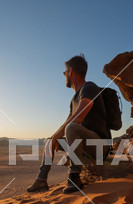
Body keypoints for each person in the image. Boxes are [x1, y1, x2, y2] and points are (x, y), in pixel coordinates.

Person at [27, 54, 111, 194]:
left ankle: (74, 177)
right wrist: (53, 139)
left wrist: (58, 137)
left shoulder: (89, 88)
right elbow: (68, 121)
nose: (64, 75)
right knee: (50, 140)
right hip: (82, 142)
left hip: (100, 145)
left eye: (64, 72)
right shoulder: (74, 99)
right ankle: (41, 180)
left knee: (71, 128)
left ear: (70, 71)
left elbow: (76, 119)